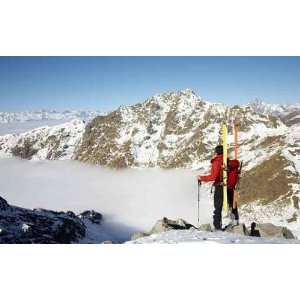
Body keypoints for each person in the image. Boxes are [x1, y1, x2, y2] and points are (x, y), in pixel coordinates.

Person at [198, 145, 224, 230]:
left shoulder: (217, 161)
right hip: (224, 185)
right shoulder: (225, 159)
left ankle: (217, 227)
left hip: (219, 186)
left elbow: (213, 176)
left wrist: (201, 178)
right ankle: (220, 225)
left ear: (216, 152)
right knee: (220, 207)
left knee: (218, 207)